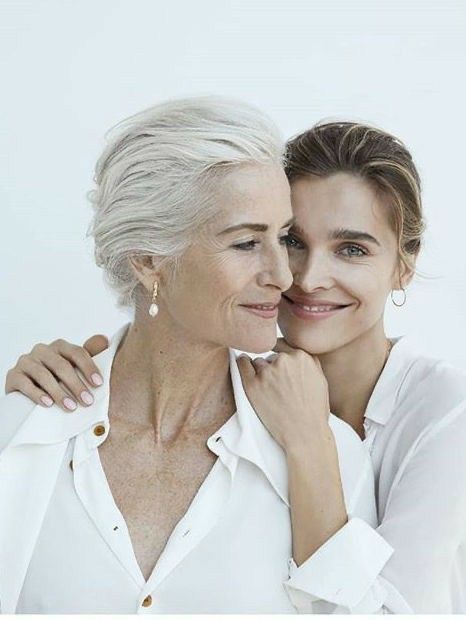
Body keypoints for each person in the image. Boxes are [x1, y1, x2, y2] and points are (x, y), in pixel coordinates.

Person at [9, 118, 466, 614]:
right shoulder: (43, 421)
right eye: (288, 239)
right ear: (148, 258)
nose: (299, 276)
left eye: (352, 249)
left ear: (405, 263)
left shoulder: (439, 414)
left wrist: (311, 444)